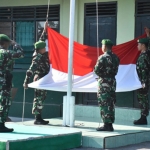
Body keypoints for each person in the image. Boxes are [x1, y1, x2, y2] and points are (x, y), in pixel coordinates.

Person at [23, 22, 50, 125]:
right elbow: (30, 70)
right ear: (40, 49)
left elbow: (41, 39)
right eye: (44, 48)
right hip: (40, 78)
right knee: (39, 98)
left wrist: (45, 29)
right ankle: (37, 118)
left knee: (41, 98)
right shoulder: (37, 57)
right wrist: (26, 82)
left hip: (44, 78)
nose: (45, 49)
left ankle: (39, 117)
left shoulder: (39, 51)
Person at [94, 39, 120, 131]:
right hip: (112, 82)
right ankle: (110, 124)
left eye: (102, 46)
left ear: (104, 47)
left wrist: (102, 75)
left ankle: (106, 124)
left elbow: (96, 70)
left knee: (104, 103)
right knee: (111, 103)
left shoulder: (102, 57)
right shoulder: (116, 57)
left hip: (104, 82)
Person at [0, 34, 24, 132]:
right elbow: (21, 54)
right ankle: (1, 125)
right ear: (4, 43)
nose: (9, 45)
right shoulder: (6, 53)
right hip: (4, 82)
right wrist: (16, 44)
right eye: (8, 43)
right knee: (4, 103)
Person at [134, 38, 150, 125]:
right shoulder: (145, 54)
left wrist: (143, 82)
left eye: (139, 44)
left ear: (143, 45)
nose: (137, 46)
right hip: (143, 81)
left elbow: (144, 70)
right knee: (142, 99)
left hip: (143, 82)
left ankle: (143, 118)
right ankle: (143, 117)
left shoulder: (144, 56)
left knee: (143, 99)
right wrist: (148, 36)